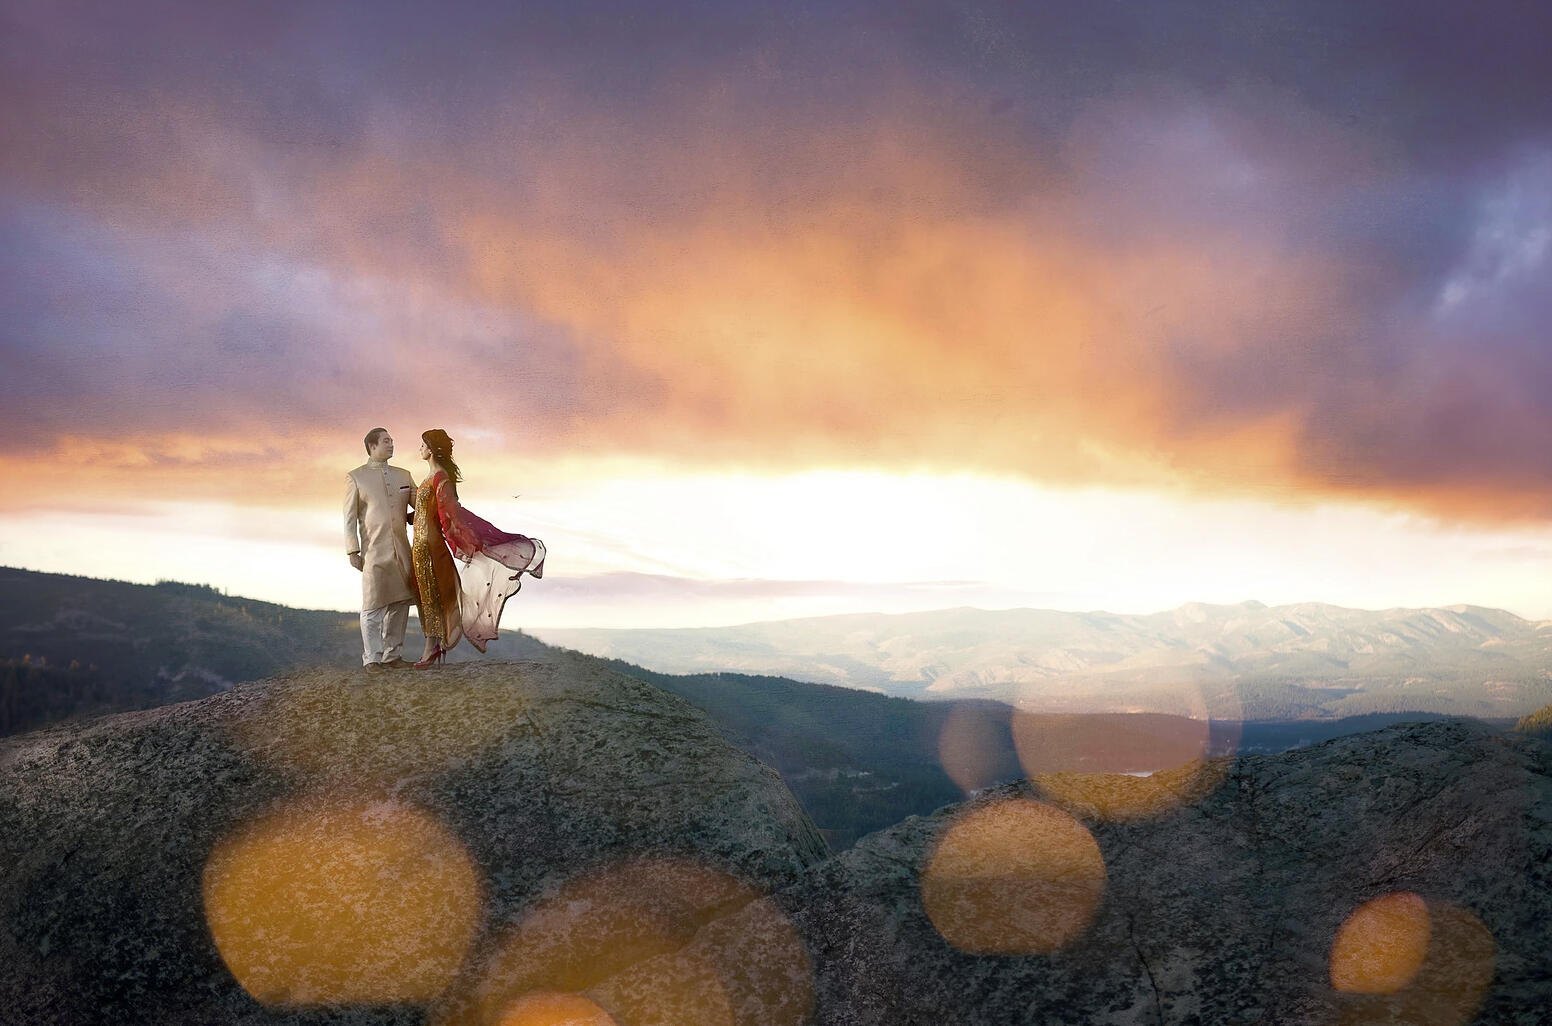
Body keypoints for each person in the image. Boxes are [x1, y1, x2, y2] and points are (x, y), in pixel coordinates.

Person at [412, 428, 545, 667]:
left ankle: (431, 649)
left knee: (433, 595)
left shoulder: (440, 477)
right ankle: (434, 647)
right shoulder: (431, 477)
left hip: (430, 546)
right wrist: (412, 517)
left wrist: (464, 543)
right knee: (426, 596)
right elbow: (428, 510)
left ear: (430, 449)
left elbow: (448, 515)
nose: (419, 449)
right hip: (419, 546)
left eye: (422, 445)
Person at [344, 428, 418, 670]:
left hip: (402, 550)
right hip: (373, 552)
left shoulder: (404, 475)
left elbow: (421, 505)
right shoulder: (356, 477)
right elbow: (349, 518)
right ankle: (372, 659)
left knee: (400, 604)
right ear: (372, 446)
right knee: (373, 605)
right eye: (386, 441)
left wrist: (413, 516)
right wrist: (352, 551)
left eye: (392, 441)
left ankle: (392, 656)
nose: (392, 444)